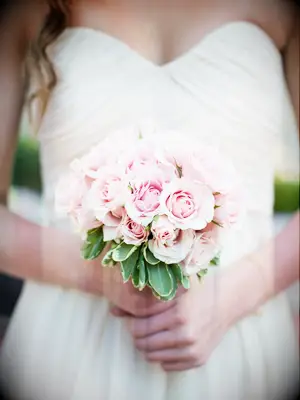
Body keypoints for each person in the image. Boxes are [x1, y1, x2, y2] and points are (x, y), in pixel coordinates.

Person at [0, 0, 299, 399]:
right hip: (66, 345)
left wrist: (233, 296)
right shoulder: (29, 9)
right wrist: (99, 274)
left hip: (242, 339)